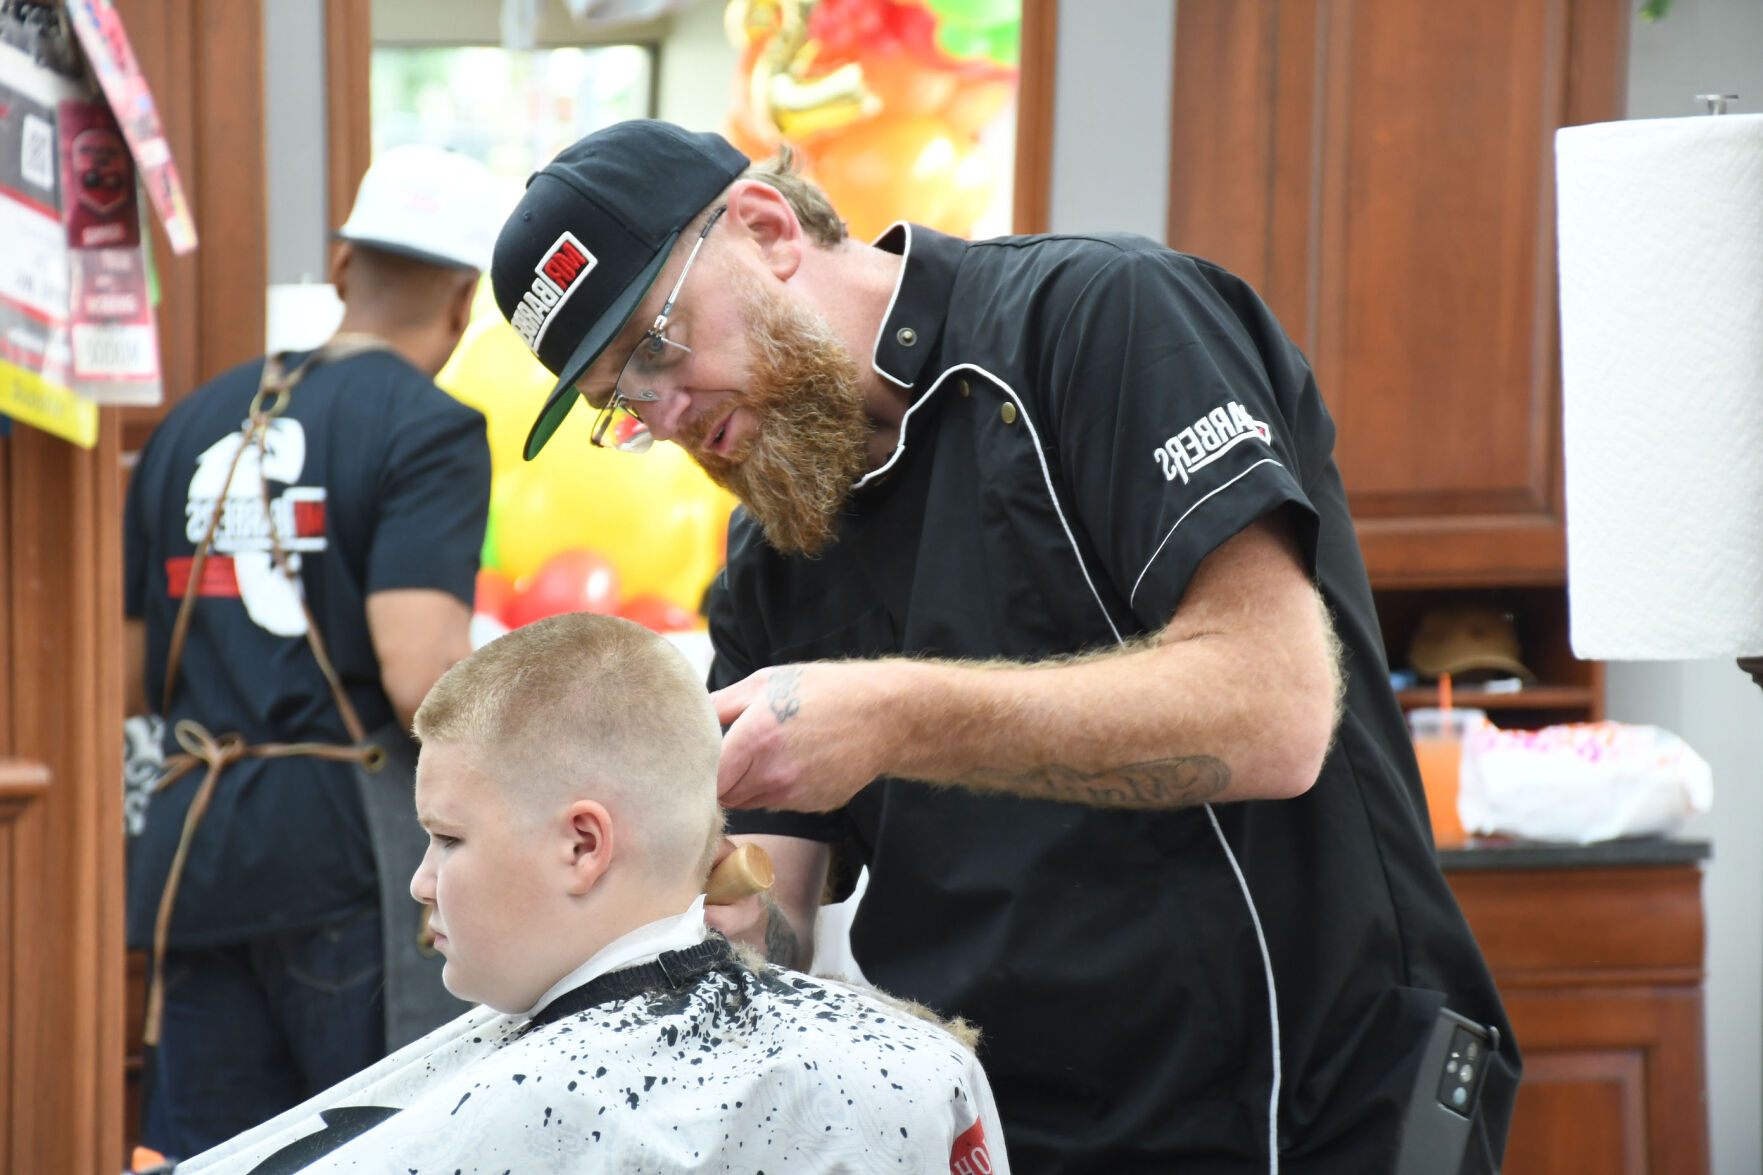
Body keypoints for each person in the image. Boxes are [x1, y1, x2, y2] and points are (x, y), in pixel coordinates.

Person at [488, 119, 1520, 1174]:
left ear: (765, 227)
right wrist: (665, 916)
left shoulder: (1099, 322)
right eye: (621, 401)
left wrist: (889, 717)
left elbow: (1277, 710)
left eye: (657, 348)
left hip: (1298, 1107)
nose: (662, 413)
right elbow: (770, 904)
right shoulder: (771, 544)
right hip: (1000, 1129)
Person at [172, 613, 1011, 1174]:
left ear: (583, 844)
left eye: (448, 838)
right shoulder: (921, 1063)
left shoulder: (549, 1105)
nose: (420, 881)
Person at [123, 144, 499, 1158]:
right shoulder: (430, 429)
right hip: (343, 857)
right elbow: (421, 668)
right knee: (358, 1147)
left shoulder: (186, 425)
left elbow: (128, 671)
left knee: (207, 1152)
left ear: (341, 269)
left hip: (188, 856)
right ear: (463, 301)